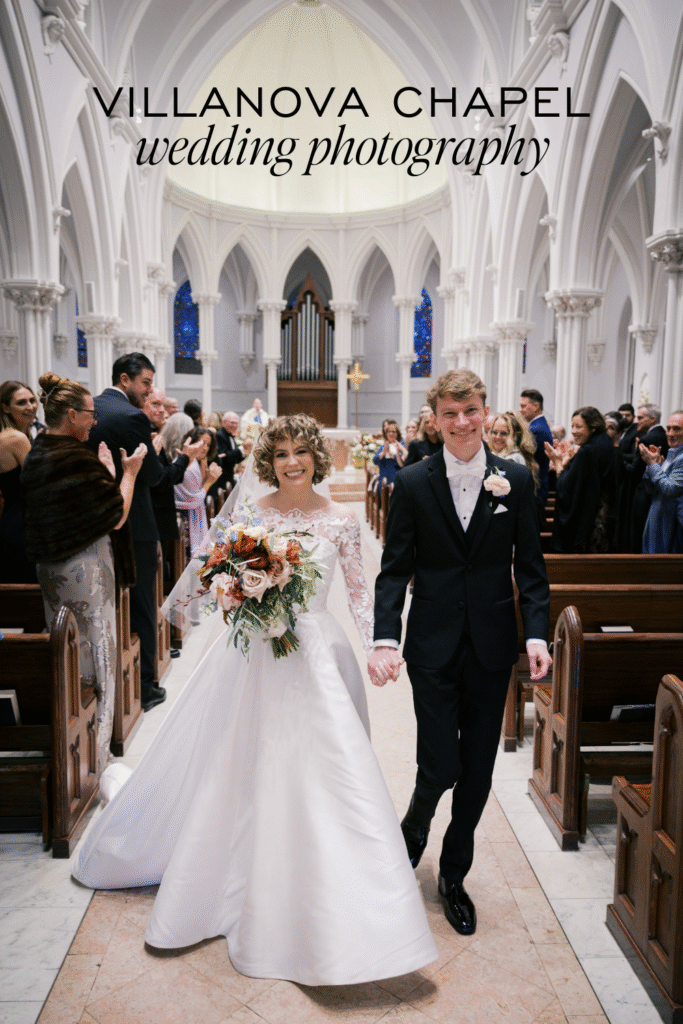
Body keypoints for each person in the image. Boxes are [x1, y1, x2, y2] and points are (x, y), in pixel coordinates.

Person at [72, 413, 438, 984]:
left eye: (302, 451)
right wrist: (234, 593)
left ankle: (343, 894)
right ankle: (241, 876)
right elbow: (211, 576)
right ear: (270, 461)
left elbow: (362, 598)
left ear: (317, 454)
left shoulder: (340, 522)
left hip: (318, 656)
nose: (293, 462)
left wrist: (378, 648)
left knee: (331, 769)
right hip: (254, 659)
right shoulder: (249, 511)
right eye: (283, 453)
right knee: (242, 762)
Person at [369, 369, 551, 936]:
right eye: (450, 413)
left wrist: (537, 635)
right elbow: (394, 568)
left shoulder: (515, 481)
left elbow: (532, 571)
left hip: (493, 644)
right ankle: (416, 824)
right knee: (440, 762)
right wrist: (384, 638)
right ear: (436, 417)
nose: (462, 422)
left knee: (477, 771)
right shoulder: (415, 482)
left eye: (470, 410)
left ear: (485, 409)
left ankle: (453, 874)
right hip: (431, 643)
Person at [21, 372, 144, 770]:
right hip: (85, 568)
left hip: (52, 567)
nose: (94, 420)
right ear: (72, 414)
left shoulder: (41, 450)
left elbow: (77, 508)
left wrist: (105, 474)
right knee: (98, 652)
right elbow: (116, 515)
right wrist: (128, 473)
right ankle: (98, 758)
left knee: (67, 655)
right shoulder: (74, 457)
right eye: (90, 414)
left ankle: (80, 752)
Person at [87, 353, 167, 712]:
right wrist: (156, 455)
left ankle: (107, 685)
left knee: (104, 605)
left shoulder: (90, 409)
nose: (149, 390)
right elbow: (152, 475)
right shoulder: (131, 416)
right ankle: (146, 687)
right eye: (146, 383)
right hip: (134, 526)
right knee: (141, 606)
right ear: (125, 379)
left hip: (91, 522)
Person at [546, 406, 616, 553]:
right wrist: (570, 463)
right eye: (572, 426)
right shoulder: (606, 442)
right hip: (605, 519)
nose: (573, 431)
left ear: (593, 427)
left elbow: (567, 489)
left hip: (588, 527)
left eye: (579, 427)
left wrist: (558, 463)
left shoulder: (587, 451)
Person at [0, 380, 39, 583]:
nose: (30, 406)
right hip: (21, 525)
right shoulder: (15, 438)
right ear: (5, 407)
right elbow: (41, 481)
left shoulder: (15, 435)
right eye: (21, 402)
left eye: (32, 400)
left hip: (13, 520)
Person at [172, 426, 221, 556]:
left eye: (208, 444)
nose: (205, 448)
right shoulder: (190, 467)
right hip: (184, 521)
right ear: (192, 442)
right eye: (202, 442)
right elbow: (194, 502)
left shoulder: (193, 462)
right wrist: (209, 482)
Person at [640, 411, 683, 553]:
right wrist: (653, 465)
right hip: (658, 519)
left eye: (677, 429)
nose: (670, 434)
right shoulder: (671, 453)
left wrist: (653, 465)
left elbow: (670, 489)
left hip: (671, 525)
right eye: (668, 428)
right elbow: (651, 490)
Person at [488, 411, 539, 490]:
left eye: (504, 433)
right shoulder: (495, 454)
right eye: (494, 432)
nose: (497, 437)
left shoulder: (514, 459)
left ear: (515, 436)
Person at [519, 388, 553, 508]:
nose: (520, 410)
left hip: (535, 487)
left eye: (523, 406)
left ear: (536, 406)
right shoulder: (538, 426)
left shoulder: (536, 429)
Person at [213, 410, 251, 492]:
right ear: (224, 422)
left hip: (229, 476)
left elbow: (234, 458)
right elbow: (225, 457)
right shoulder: (220, 435)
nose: (235, 425)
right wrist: (241, 448)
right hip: (221, 477)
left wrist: (245, 452)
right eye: (232, 423)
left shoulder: (230, 435)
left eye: (236, 423)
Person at [372, 419, 406, 484]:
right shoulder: (383, 446)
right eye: (388, 432)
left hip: (397, 478)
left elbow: (404, 463)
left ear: (397, 433)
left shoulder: (402, 444)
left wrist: (394, 456)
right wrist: (383, 453)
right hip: (384, 479)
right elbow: (375, 461)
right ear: (386, 434)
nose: (391, 434)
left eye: (393, 432)